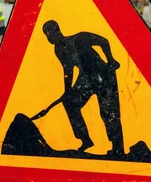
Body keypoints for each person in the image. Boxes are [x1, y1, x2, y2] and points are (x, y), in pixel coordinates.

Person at [42, 20, 124, 156]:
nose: (49, 37)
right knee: (70, 103)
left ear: (58, 30)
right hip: (85, 79)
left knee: (109, 113)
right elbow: (68, 71)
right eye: (47, 35)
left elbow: (104, 41)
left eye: (51, 33)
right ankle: (85, 139)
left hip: (103, 76)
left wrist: (111, 60)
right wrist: (67, 91)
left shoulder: (80, 38)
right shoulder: (59, 49)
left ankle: (117, 147)